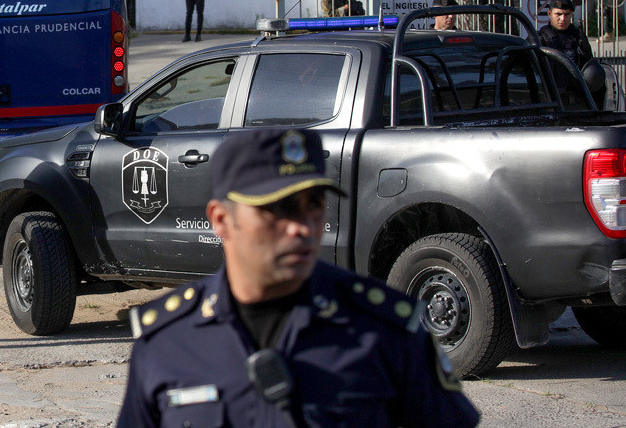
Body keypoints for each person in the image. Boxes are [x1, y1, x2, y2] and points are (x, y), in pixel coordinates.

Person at [117, 128, 479, 427]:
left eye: (314, 205)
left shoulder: (384, 330)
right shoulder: (167, 340)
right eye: (278, 209)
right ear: (221, 220)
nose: (302, 228)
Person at [538, 0, 593, 69]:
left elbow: (589, 65)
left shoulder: (578, 36)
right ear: (549, 13)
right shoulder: (541, 38)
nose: (563, 19)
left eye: (567, 14)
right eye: (558, 14)